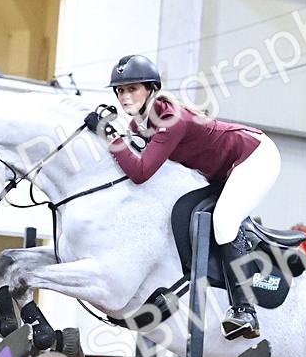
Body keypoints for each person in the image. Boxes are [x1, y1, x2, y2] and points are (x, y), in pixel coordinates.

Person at [85, 54, 281, 340]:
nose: (124, 97)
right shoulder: (139, 126)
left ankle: (245, 311)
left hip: (255, 156)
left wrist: (109, 135)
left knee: (224, 222)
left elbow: (140, 172)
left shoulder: (170, 119)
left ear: (151, 89)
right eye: (120, 90)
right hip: (223, 170)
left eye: (132, 89)